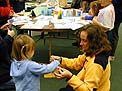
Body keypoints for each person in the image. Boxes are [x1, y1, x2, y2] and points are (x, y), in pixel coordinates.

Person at [50, 24, 112, 91]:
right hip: (82, 83)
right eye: (81, 40)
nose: (80, 43)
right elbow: (77, 63)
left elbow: (88, 89)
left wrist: (70, 76)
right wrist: (60, 60)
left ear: (94, 42)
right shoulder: (94, 52)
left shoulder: (96, 64)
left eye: (84, 41)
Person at [0, 23, 15, 90]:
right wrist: (9, 37)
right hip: (3, 78)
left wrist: (1, 30)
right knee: (25, 80)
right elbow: (2, 51)